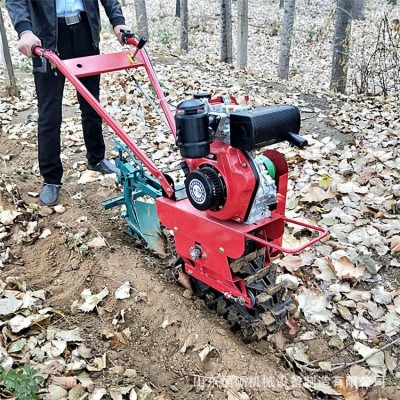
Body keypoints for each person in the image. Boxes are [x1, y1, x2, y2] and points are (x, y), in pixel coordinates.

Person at [6, 0, 130, 206]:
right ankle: (51, 178)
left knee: (91, 103)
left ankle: (97, 158)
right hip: (47, 39)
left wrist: (118, 21)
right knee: (49, 113)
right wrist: (24, 31)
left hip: (85, 32)